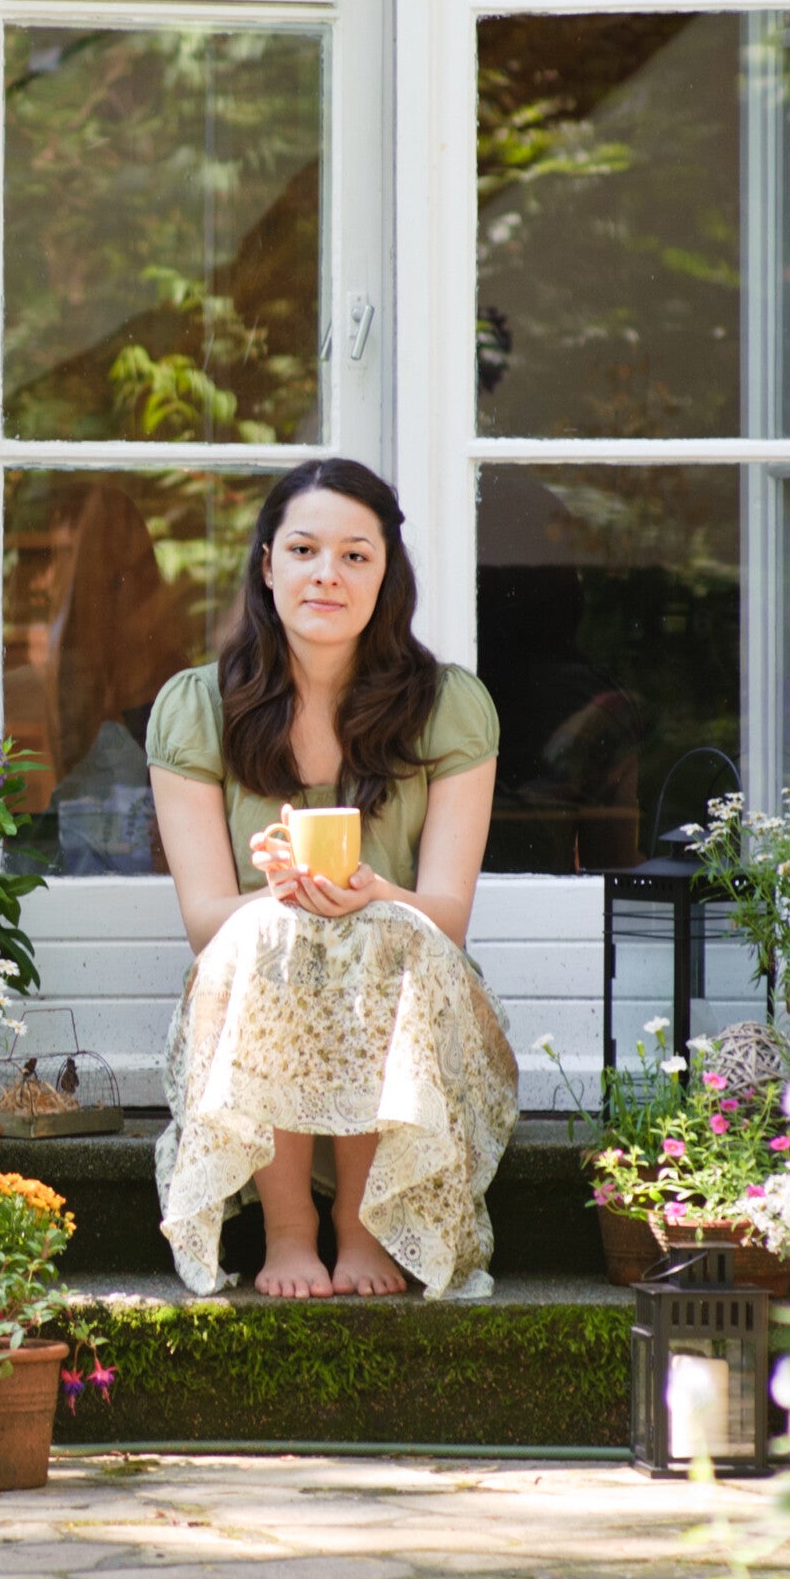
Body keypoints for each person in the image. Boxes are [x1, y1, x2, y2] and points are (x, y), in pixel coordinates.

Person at [145, 459, 519, 1299]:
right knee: (277, 931)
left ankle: (362, 1223)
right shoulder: (198, 708)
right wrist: (282, 895)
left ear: (387, 576)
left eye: (357, 555)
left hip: (411, 998)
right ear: (267, 565)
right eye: (305, 550)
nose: (328, 574)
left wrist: (373, 893)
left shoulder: (447, 706)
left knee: (376, 933)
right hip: (253, 990)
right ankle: (287, 1230)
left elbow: (447, 918)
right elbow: (207, 921)